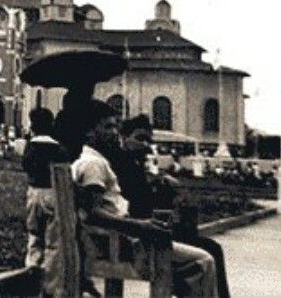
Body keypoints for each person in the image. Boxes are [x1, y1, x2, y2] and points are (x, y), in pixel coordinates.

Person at [72, 101, 218, 298]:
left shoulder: (87, 160)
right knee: (204, 261)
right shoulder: (94, 164)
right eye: (108, 127)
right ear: (89, 132)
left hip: (112, 243)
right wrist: (141, 226)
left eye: (115, 126)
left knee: (192, 262)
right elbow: (93, 213)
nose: (115, 132)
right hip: (121, 247)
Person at [117, 114, 230, 298]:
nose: (145, 144)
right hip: (141, 235)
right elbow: (139, 203)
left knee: (209, 249)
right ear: (124, 137)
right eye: (140, 138)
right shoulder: (123, 165)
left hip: (148, 230)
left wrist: (158, 183)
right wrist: (159, 188)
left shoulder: (135, 164)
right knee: (210, 251)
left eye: (148, 141)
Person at [21, 107, 70, 294]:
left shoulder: (31, 146)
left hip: (34, 192)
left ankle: (31, 269)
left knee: (34, 234)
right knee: (53, 240)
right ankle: (49, 284)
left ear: (33, 125)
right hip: (52, 193)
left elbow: (25, 165)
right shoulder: (58, 148)